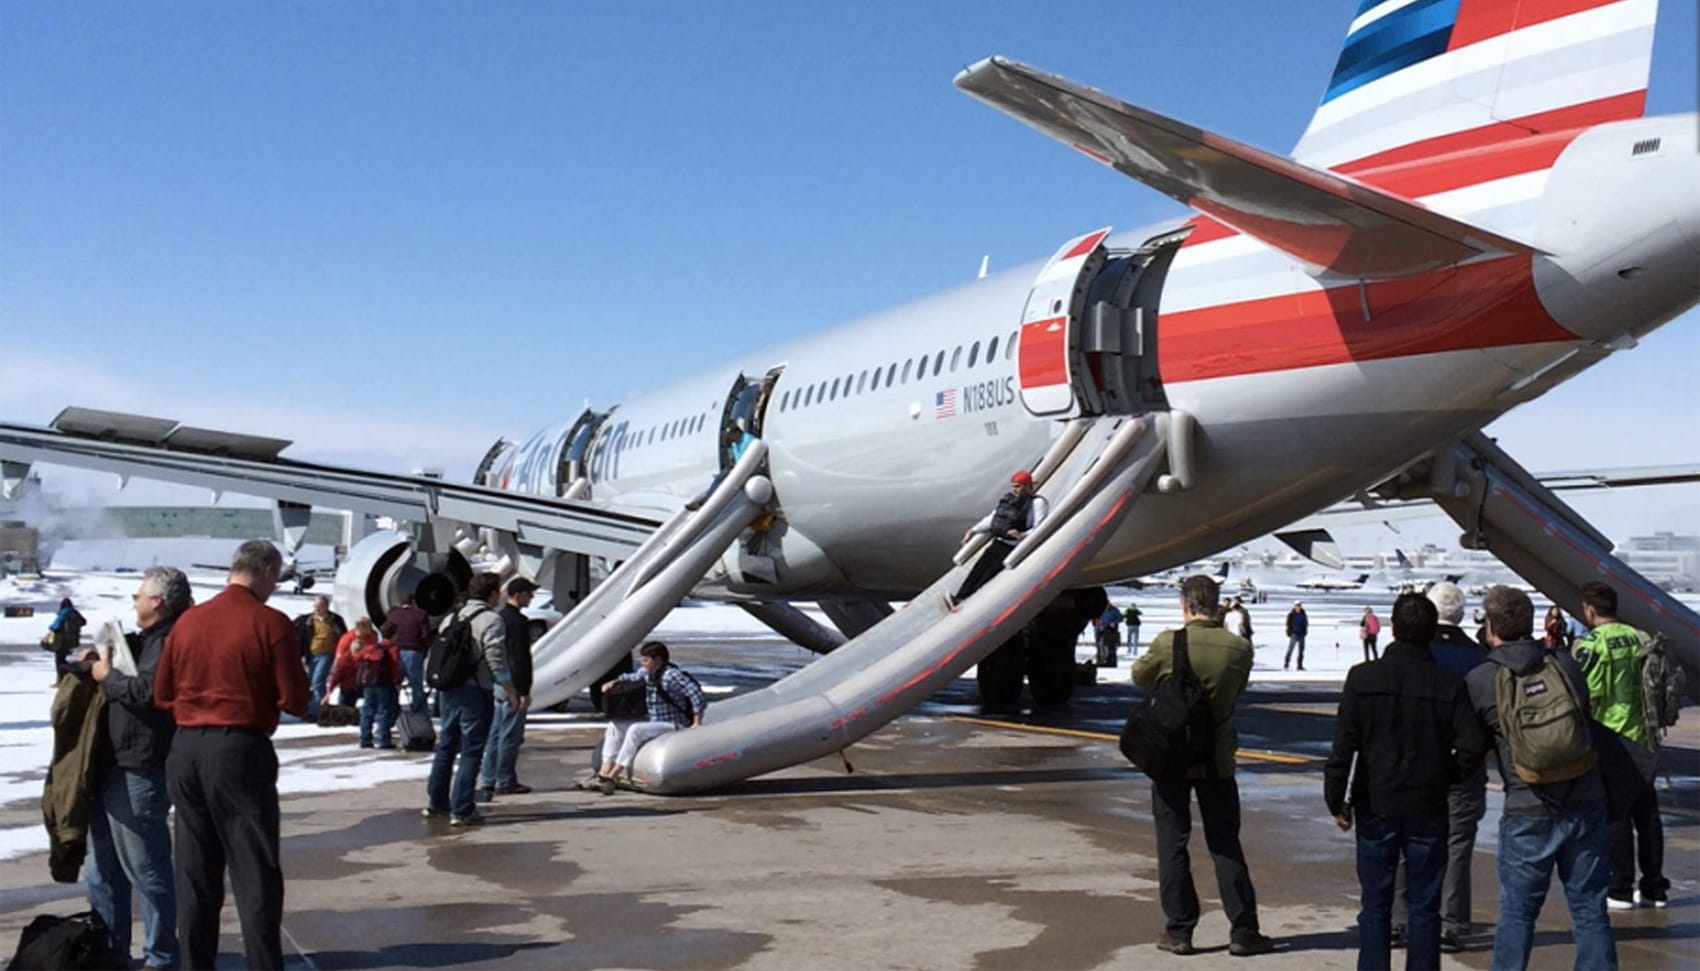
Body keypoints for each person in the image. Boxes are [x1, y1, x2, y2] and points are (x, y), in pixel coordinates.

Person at [154, 539, 310, 971]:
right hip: (239, 747)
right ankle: (263, 964)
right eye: (275, 579)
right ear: (265, 573)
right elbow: (294, 697)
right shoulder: (270, 622)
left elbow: (162, 693)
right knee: (254, 867)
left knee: (194, 871)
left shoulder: (186, 623)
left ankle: (195, 964)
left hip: (185, 748)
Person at [1325, 593, 1487, 971]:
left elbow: (1343, 746)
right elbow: (1472, 746)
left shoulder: (1363, 678)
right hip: (1427, 805)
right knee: (1425, 906)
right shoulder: (1447, 684)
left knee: (1376, 904)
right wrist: (1446, 777)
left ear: (1393, 628)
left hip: (1375, 803)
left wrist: (1337, 799)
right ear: (1432, 633)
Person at [1466, 585, 1615, 971]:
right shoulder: (1565, 664)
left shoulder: (1482, 679)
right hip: (1584, 798)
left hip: (1527, 805)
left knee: (1517, 911)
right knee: (1589, 909)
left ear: (1491, 628)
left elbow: (1471, 746)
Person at [1130, 576, 1276, 958]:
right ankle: (1243, 929)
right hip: (1217, 759)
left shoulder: (1168, 642)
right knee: (1225, 843)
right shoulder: (1238, 649)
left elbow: (1139, 677)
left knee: (1173, 843)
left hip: (1171, 759)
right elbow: (1238, 690)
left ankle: (1180, 929)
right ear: (1216, 605)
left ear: (1186, 605)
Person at [80, 566, 191, 971]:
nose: (135, 601)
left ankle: (161, 956)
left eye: (139, 596)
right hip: (113, 763)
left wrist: (108, 677)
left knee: (146, 867)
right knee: (101, 871)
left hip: (139, 767)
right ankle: (111, 953)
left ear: (158, 601)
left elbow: (148, 692)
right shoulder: (147, 641)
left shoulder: (169, 641)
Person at [1390, 580, 1490, 952]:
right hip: (1464, 766)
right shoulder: (1479, 657)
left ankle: (1399, 921)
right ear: (1461, 614)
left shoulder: (1413, 652)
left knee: (1406, 841)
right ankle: (1450, 924)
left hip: (1415, 763)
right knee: (1457, 845)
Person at [1573, 580, 1668, 909]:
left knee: (1617, 816)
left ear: (1589, 609)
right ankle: (1655, 887)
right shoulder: (1641, 637)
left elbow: (1589, 693)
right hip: (1646, 735)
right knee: (1649, 815)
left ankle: (1620, 887)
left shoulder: (1592, 644)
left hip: (1612, 737)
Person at [423, 573, 517, 826]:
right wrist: (509, 688)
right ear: (493, 593)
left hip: (449, 689)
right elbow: (495, 657)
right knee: (472, 750)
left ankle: (437, 802)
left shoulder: (452, 618)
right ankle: (462, 808)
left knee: (446, 746)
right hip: (476, 690)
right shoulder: (491, 620)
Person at [596, 641, 707, 793]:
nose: (643, 663)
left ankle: (614, 774)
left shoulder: (671, 675)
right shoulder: (648, 673)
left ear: (658, 660)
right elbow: (633, 677)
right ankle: (604, 771)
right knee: (615, 726)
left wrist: (696, 722)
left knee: (636, 730)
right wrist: (613, 682)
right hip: (656, 721)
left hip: (674, 723)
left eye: (646, 660)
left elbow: (696, 694)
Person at [947, 469, 1049, 607]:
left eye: (1018, 486)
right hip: (999, 542)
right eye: (1013, 486)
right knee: (979, 569)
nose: (1014, 489)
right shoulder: (1009, 500)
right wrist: (973, 531)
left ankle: (970, 602)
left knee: (988, 574)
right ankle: (960, 597)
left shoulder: (1038, 503)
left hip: (1013, 547)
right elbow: (993, 518)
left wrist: (1022, 535)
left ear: (1027, 486)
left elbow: (1040, 527)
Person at [479, 577, 538, 800]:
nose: (531, 598)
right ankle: (505, 779)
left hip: (499, 683)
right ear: (519, 594)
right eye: (529, 594)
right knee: (510, 735)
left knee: (495, 734)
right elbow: (518, 658)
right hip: (513, 684)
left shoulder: (500, 618)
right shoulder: (518, 622)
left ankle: (489, 777)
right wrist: (522, 691)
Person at [292, 596, 346, 718]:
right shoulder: (307, 620)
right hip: (311, 654)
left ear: (326, 607)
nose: (316, 609)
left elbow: (343, 636)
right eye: (315, 606)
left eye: (319, 606)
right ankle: (318, 706)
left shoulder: (335, 620)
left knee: (318, 681)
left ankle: (315, 711)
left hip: (327, 654)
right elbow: (300, 637)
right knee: (311, 681)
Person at [386, 592, 433, 714]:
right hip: (414, 651)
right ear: (414, 602)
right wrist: (426, 650)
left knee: (395, 682)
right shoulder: (420, 615)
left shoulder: (393, 615)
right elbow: (426, 635)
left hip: (395, 652)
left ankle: (392, 708)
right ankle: (418, 709)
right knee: (416, 684)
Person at [47, 596, 87, 679]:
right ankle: (69, 674)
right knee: (63, 659)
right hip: (72, 641)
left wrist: (51, 627)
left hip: (61, 642)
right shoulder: (75, 613)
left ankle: (62, 678)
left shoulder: (63, 613)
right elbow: (84, 622)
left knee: (59, 661)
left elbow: (55, 627)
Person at [1093, 601, 1122, 667]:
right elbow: (1096, 619)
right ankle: (1101, 662)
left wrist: (1114, 622)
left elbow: (1121, 618)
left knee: (1110, 648)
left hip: (1110, 631)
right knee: (1100, 646)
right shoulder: (1100, 610)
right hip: (1100, 630)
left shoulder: (1114, 610)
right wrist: (1096, 622)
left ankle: (1111, 662)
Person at [1283, 602, 1308, 671]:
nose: (1298, 608)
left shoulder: (1303, 614)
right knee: (1290, 649)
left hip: (1301, 634)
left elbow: (1305, 623)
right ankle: (1286, 663)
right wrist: (1289, 632)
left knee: (1301, 650)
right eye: (1296, 606)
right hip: (1294, 634)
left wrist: (1305, 631)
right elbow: (1288, 624)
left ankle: (1299, 665)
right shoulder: (1291, 615)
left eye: (1299, 606)